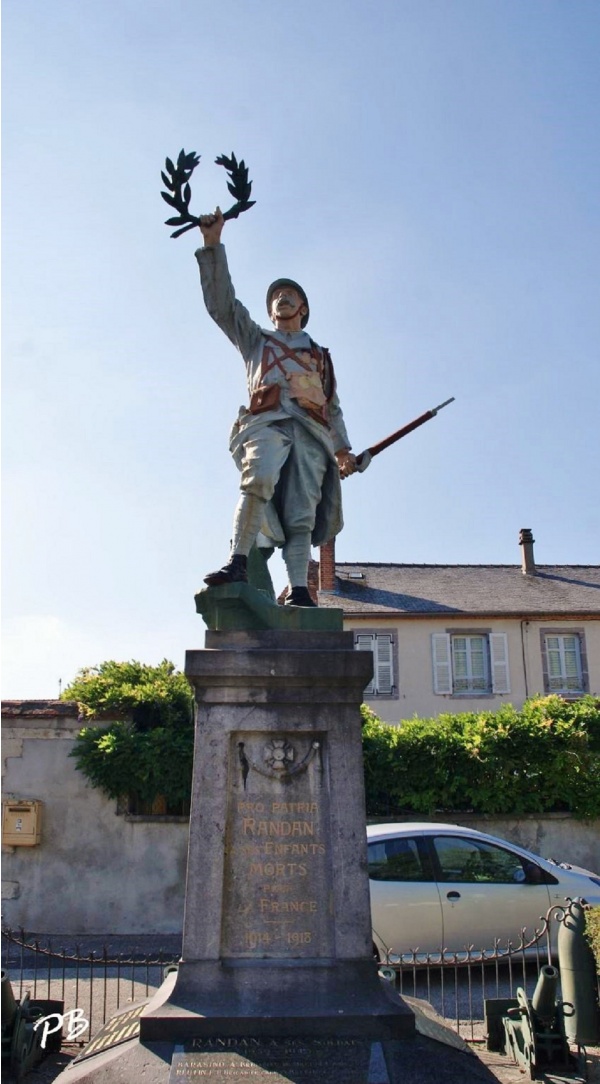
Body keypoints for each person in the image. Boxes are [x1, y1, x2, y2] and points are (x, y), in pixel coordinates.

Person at [197, 207, 357, 607]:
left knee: (301, 513)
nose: (282, 298)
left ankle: (300, 591)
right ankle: (237, 562)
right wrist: (212, 244)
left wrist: (342, 450)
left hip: (312, 433)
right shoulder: (257, 340)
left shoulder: (320, 355)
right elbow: (222, 306)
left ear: (302, 307)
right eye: (276, 297)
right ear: (270, 312)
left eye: (290, 295)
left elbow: (332, 405)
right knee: (258, 477)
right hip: (267, 422)